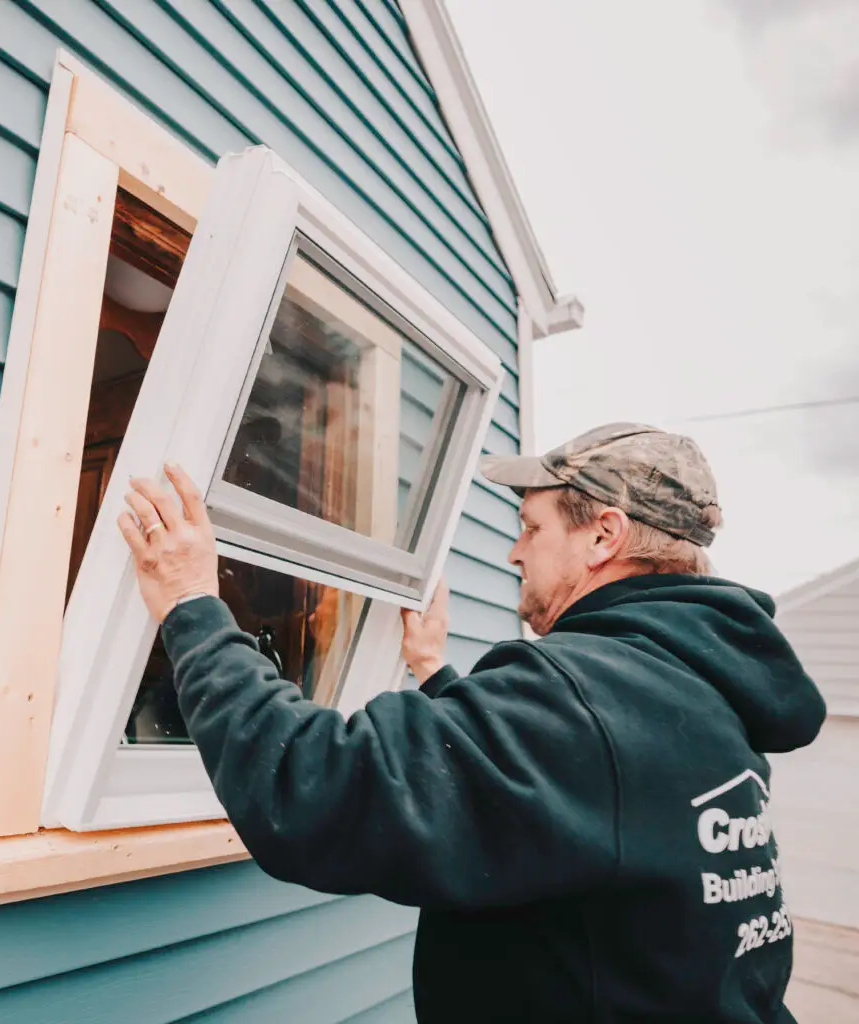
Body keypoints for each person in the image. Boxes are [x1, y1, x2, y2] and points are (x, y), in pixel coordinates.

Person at [118, 422, 826, 1024]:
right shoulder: (695, 694)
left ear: (603, 535)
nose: (515, 552)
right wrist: (435, 674)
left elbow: (315, 785)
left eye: (531, 528)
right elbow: (569, 799)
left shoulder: (584, 699)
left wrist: (193, 609)